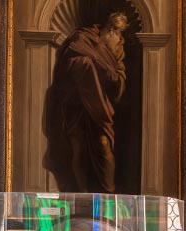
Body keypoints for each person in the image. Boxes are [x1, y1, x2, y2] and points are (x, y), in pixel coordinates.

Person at [42, 12, 129, 193]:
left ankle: (109, 192)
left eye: (117, 30)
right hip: (76, 103)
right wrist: (94, 64)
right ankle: (81, 192)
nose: (113, 33)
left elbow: (120, 75)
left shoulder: (118, 46)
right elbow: (68, 64)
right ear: (105, 26)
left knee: (103, 144)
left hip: (100, 104)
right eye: (111, 28)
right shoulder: (83, 37)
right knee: (78, 146)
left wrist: (114, 77)